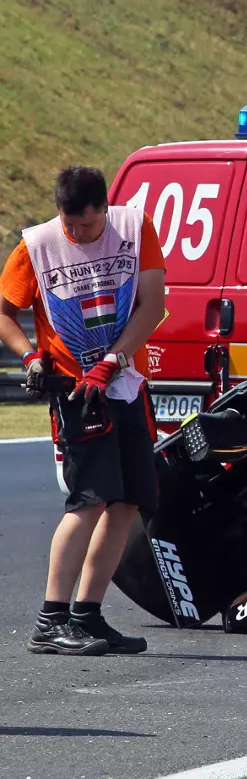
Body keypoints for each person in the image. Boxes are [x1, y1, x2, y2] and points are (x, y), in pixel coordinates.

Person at [0, 166, 166, 655]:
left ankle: (87, 615)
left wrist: (113, 361)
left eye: (87, 226)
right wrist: (29, 356)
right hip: (76, 394)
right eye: (69, 224)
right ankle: (50, 619)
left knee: (128, 501)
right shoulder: (37, 244)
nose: (76, 234)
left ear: (105, 210)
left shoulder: (135, 229)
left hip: (123, 384)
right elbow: (5, 310)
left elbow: (152, 305)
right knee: (89, 500)